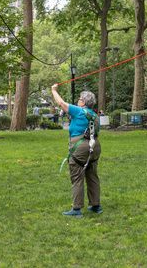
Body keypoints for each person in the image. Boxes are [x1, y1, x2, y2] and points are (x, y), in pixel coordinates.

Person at [51, 84, 101, 217]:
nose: (78, 100)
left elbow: (61, 103)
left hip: (80, 147)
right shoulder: (95, 116)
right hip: (95, 147)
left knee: (77, 176)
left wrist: (53, 90)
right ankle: (96, 205)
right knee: (92, 175)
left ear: (83, 102)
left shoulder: (79, 111)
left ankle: (77, 209)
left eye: (79, 99)